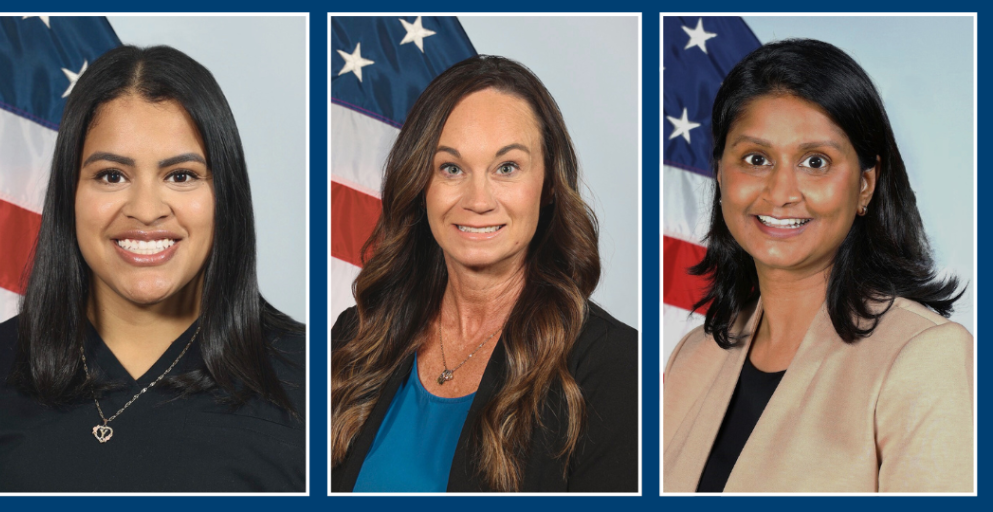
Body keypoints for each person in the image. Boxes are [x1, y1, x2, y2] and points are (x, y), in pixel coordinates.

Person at [663, 39, 973, 493]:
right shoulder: (693, 354)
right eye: (756, 159)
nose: (781, 191)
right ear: (722, 173)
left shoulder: (924, 357)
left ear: (866, 185)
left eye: (815, 162)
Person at [0, 45, 305, 492]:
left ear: (225, 196)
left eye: (181, 176)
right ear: (69, 193)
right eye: (111, 175)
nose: (145, 210)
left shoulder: (317, 380)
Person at [330, 55, 638, 493]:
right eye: (451, 168)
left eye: (506, 168)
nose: (478, 200)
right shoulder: (357, 338)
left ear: (549, 184)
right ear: (422, 184)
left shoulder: (612, 366)